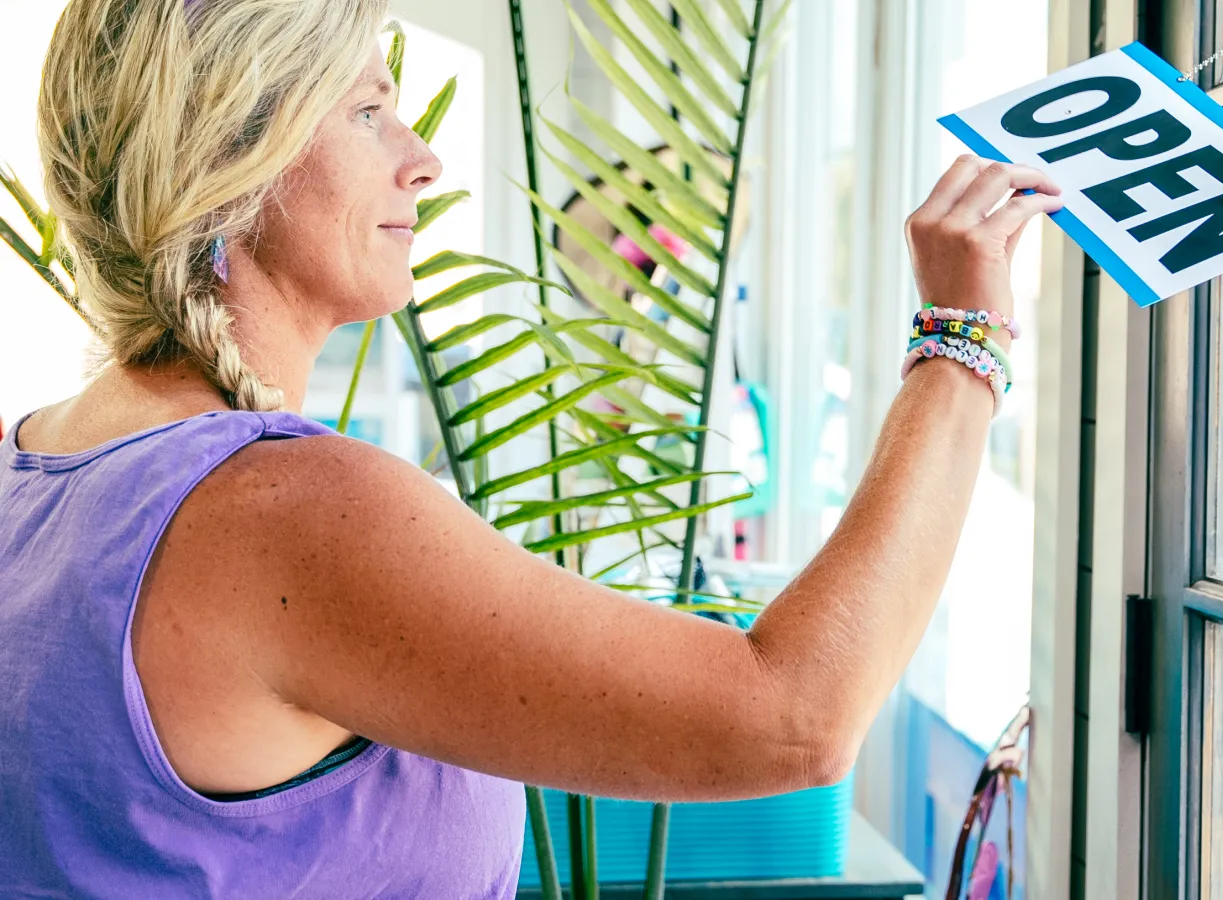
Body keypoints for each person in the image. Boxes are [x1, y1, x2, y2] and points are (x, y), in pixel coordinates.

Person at [0, 1, 1064, 897]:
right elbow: (794, 716)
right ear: (230, 157)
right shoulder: (278, 509)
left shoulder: (33, 461)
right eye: (369, 111)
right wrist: (962, 341)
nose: (421, 161)